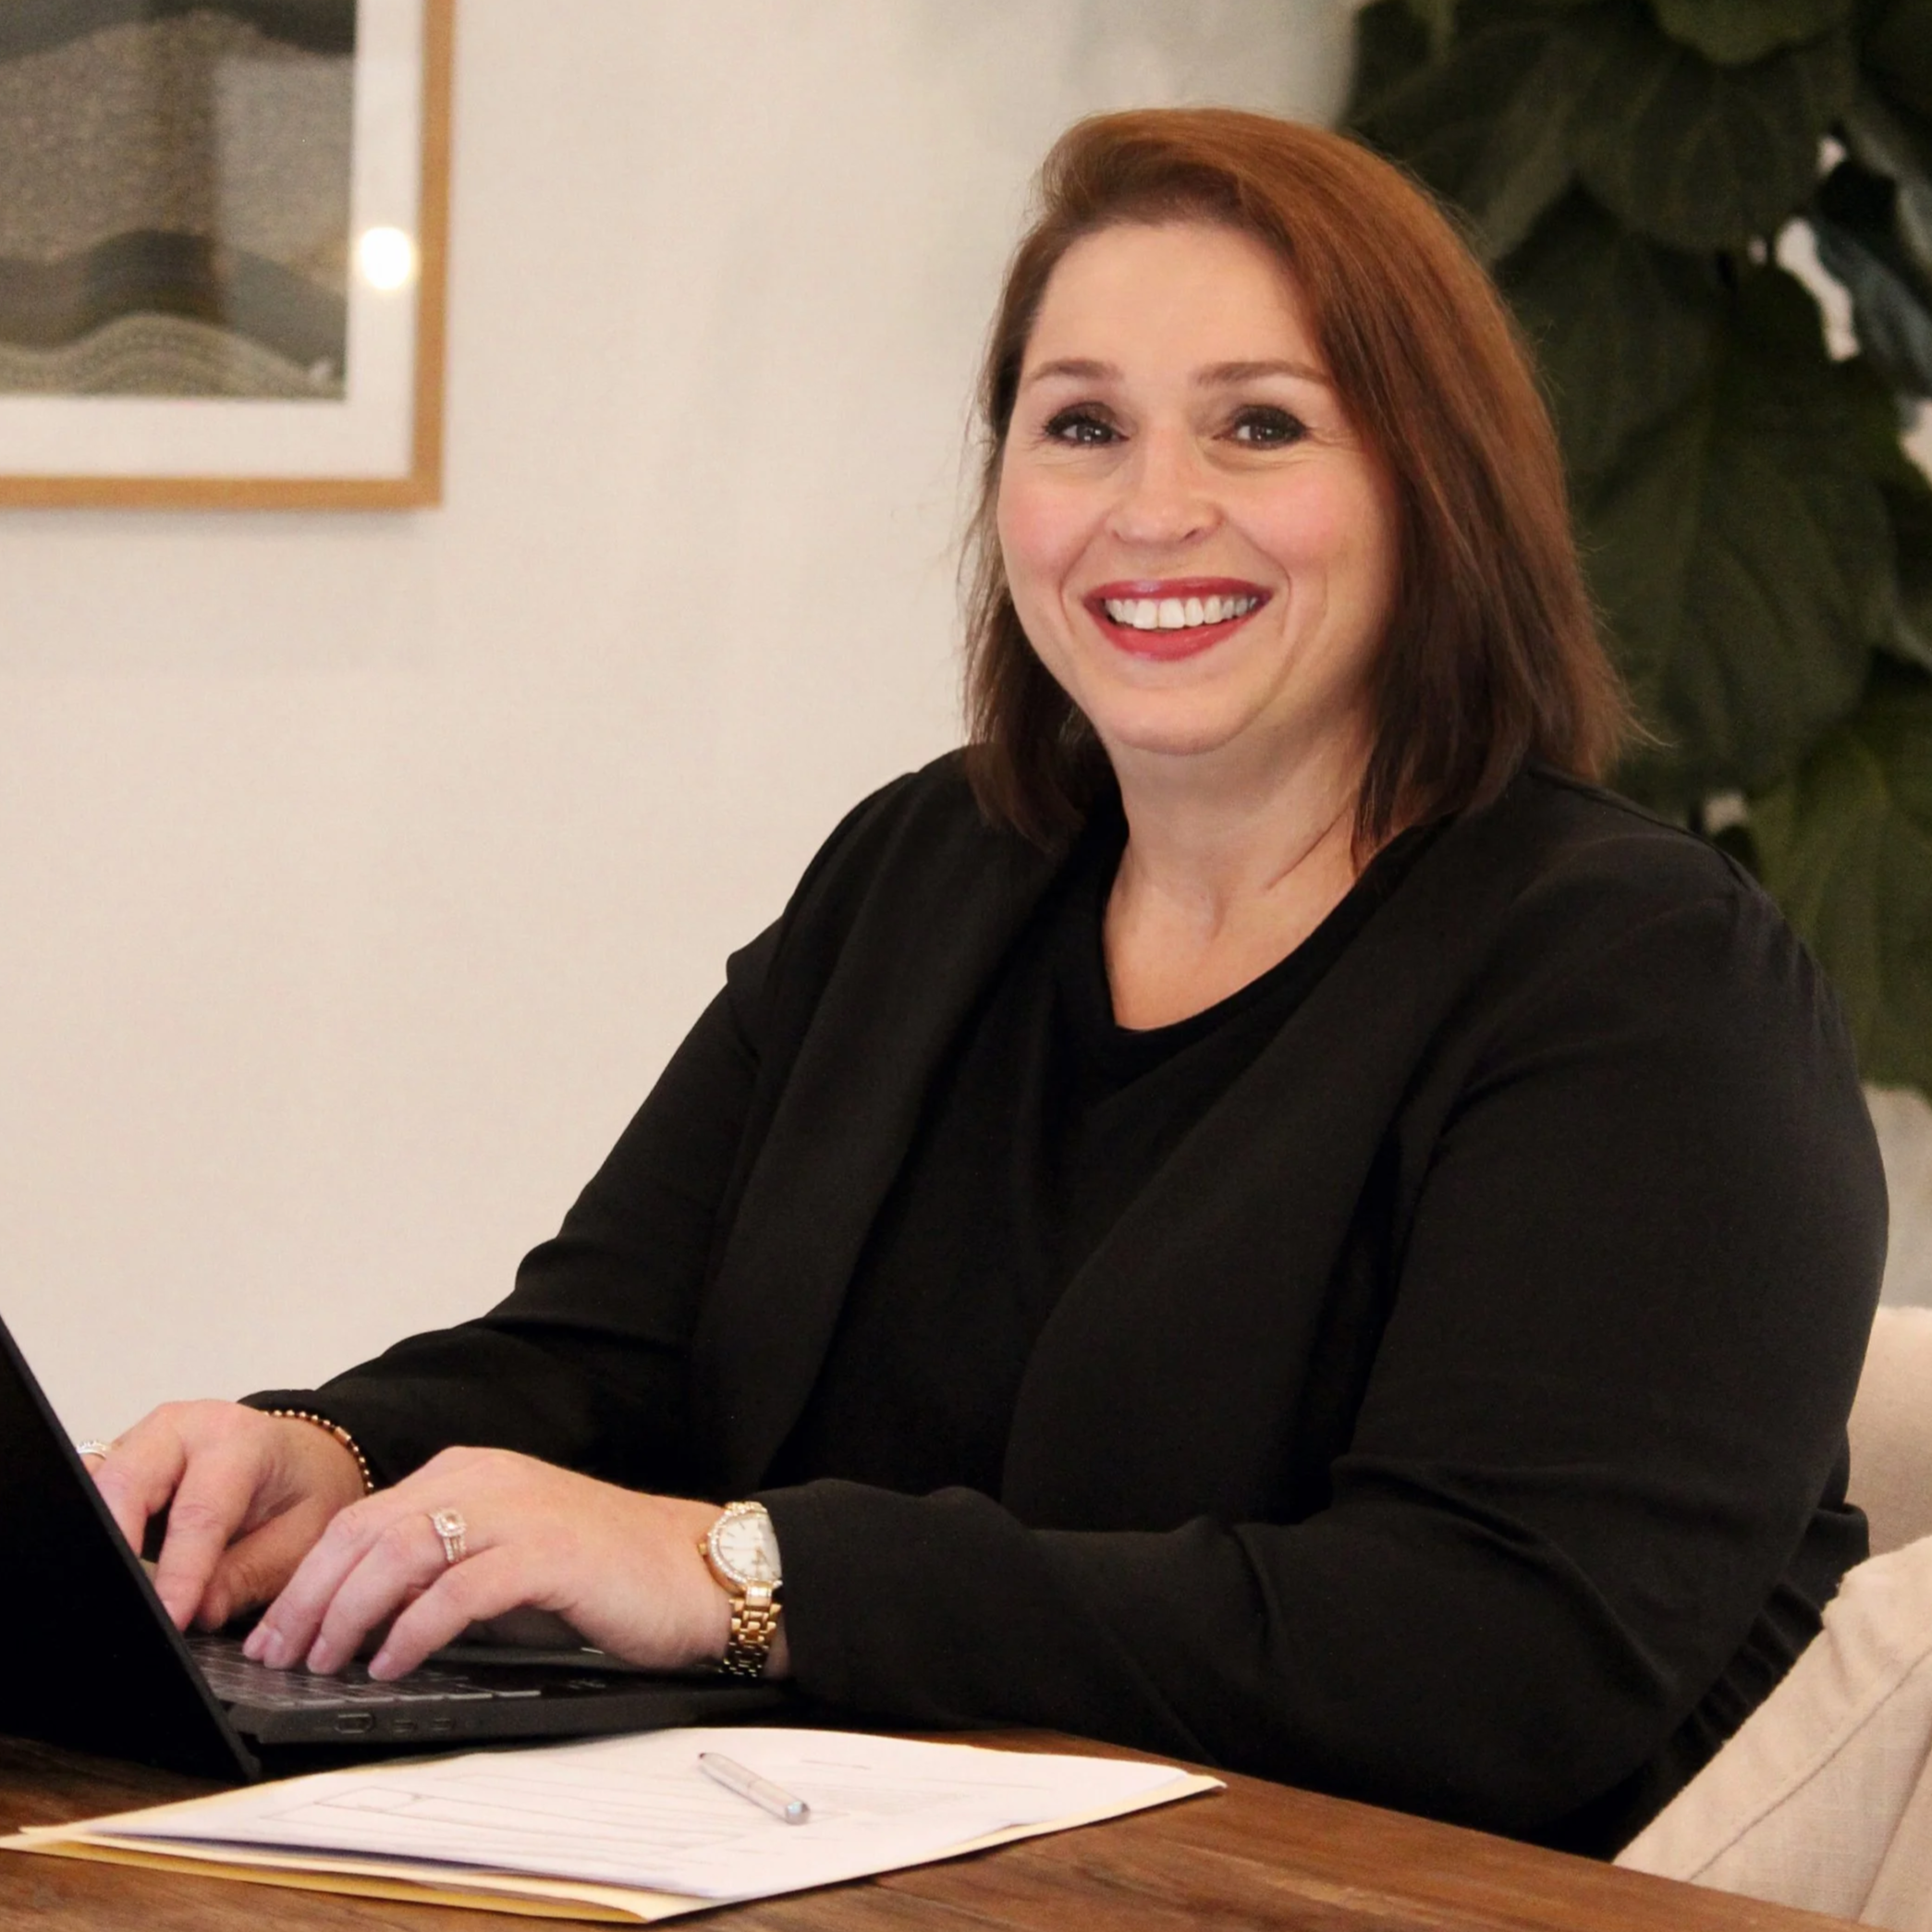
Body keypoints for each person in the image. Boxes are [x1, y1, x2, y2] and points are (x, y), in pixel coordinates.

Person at [82, 108, 1886, 1857]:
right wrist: (334, 1451)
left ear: (1438, 488)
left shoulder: (1645, 982)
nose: (1153, 508)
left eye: (1259, 425)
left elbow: (1497, 1653)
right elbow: (607, 1351)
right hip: (843, 1852)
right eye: (1079, 423)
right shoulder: (929, 866)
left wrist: (738, 1575)